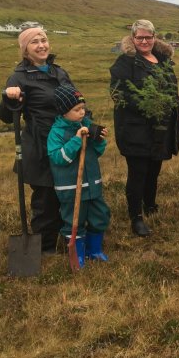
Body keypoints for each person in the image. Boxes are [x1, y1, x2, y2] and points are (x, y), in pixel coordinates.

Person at [0, 27, 74, 253]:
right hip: (40, 146)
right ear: (25, 49)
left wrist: (89, 124)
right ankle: (45, 247)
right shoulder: (19, 77)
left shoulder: (59, 72)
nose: (41, 45)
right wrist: (8, 98)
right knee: (46, 200)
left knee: (65, 192)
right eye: (34, 42)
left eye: (44, 40)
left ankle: (67, 237)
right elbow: (5, 116)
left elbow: (76, 101)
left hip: (65, 143)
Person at [110, 19, 179, 237]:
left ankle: (150, 205)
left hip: (160, 128)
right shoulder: (125, 63)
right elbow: (118, 94)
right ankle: (136, 217)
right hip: (135, 129)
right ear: (133, 38)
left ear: (155, 38)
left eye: (148, 37)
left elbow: (172, 90)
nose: (144, 41)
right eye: (140, 37)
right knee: (138, 172)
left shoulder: (163, 60)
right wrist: (148, 105)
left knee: (154, 169)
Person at [47, 84, 110, 267]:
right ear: (64, 111)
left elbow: (95, 153)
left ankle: (95, 250)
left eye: (83, 108)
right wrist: (76, 140)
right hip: (71, 188)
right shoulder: (56, 133)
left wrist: (98, 140)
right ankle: (78, 254)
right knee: (74, 220)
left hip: (92, 185)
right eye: (76, 110)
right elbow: (59, 158)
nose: (82, 112)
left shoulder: (86, 126)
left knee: (100, 215)